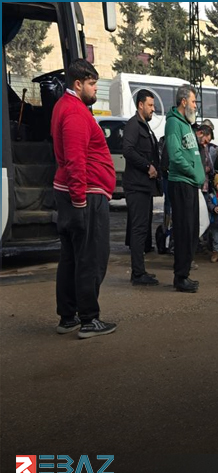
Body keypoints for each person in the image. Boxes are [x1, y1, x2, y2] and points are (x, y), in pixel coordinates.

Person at [52, 59, 117, 339]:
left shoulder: (63, 107)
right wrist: (80, 201)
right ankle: (89, 319)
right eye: (92, 84)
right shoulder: (76, 112)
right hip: (85, 195)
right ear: (78, 84)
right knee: (90, 257)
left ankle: (68, 317)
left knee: (71, 258)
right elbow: (76, 160)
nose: (95, 90)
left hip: (74, 193)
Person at [166, 84, 205, 293]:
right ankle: (180, 277)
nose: (195, 105)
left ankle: (185, 273)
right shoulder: (174, 123)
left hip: (190, 184)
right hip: (181, 183)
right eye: (193, 101)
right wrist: (192, 170)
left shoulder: (187, 123)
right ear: (183, 102)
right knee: (183, 231)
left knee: (192, 231)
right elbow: (175, 155)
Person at [122, 88, 160, 287]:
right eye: (150, 105)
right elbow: (127, 150)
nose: (153, 109)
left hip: (145, 187)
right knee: (138, 230)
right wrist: (147, 166)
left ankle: (140, 271)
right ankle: (137, 273)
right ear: (140, 105)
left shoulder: (146, 127)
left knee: (142, 229)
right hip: (136, 186)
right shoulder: (133, 125)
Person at [196, 125, 216, 192]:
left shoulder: (203, 148)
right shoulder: (194, 147)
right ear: (201, 134)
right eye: (205, 141)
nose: (205, 145)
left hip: (203, 184)